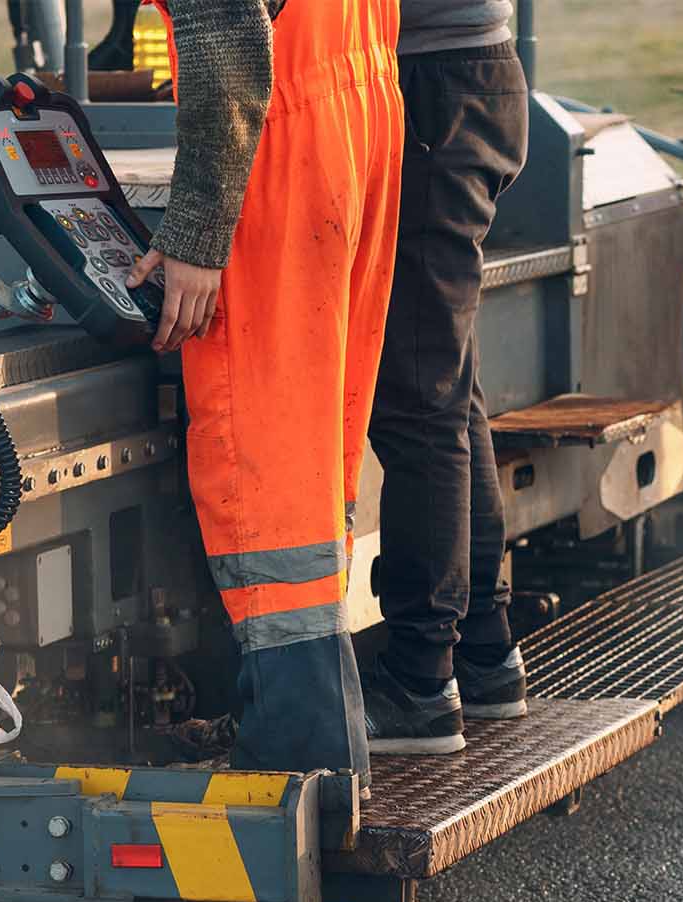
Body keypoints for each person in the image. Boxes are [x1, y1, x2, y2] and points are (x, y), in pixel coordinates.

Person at [131, 0, 402, 785]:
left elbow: (227, 32)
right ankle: (320, 742)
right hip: (358, 103)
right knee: (316, 460)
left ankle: (300, 766)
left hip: (284, 139)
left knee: (269, 473)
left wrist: (196, 233)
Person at [361, 1, 531, 755]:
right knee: (450, 394)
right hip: (467, 75)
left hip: (432, 86)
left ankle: (420, 683)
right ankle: (484, 653)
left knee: (421, 401)